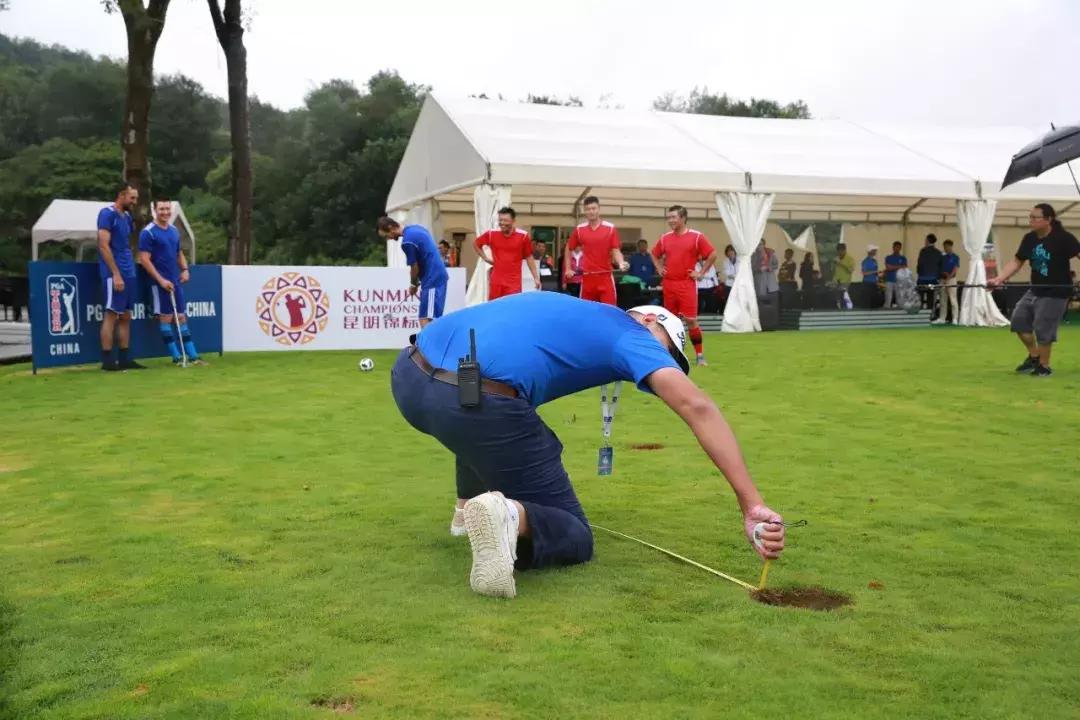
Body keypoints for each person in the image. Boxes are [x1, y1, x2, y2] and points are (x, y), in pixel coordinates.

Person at [391, 292, 786, 598]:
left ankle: (465, 512)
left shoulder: (579, 312)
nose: (659, 360)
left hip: (409, 376)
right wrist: (751, 504)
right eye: (667, 350)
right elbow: (697, 406)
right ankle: (506, 513)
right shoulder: (630, 335)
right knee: (577, 536)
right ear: (649, 320)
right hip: (471, 402)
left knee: (486, 416)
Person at [988, 203, 1080, 377]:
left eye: (1034, 218)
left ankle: (1044, 367)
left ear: (1048, 220)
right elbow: (1017, 261)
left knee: (1043, 327)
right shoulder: (1029, 239)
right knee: (1018, 321)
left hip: (1056, 292)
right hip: (1035, 289)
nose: (1030, 220)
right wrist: (999, 279)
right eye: (1030, 217)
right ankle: (1034, 356)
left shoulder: (1064, 238)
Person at [138, 198, 204, 365]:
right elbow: (144, 260)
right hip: (158, 283)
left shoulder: (174, 230)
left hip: (175, 281)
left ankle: (193, 356)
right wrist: (160, 280)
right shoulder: (148, 232)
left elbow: (178, 252)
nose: (165, 212)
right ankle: (176, 357)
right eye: (161, 209)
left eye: (168, 209)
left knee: (181, 317)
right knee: (166, 318)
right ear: (155, 210)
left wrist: (185, 269)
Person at [651, 205, 717, 366]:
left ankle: (700, 355)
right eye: (669, 217)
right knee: (670, 321)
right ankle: (672, 355)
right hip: (669, 284)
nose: (671, 220)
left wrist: (701, 273)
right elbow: (654, 253)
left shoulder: (696, 237)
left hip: (687, 284)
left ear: (683, 218)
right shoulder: (665, 238)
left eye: (674, 217)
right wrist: (659, 267)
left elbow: (712, 254)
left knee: (690, 320)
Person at [97, 182, 145, 371]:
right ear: (121, 195)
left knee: (126, 315)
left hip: (128, 270)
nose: (134, 201)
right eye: (132, 197)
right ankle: (108, 360)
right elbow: (103, 245)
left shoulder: (127, 217)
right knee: (112, 314)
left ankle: (125, 358)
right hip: (113, 272)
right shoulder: (107, 214)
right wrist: (116, 274)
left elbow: (126, 243)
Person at [377, 217, 451, 328]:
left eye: (387, 236)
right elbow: (426, 254)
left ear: (390, 228)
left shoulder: (407, 242)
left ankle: (429, 346)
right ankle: (428, 345)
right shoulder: (416, 228)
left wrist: (413, 284)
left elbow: (414, 267)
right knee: (429, 317)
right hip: (437, 277)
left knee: (427, 319)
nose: (389, 239)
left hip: (432, 280)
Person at [564, 196, 627, 305]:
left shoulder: (610, 228)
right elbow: (568, 248)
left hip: (605, 278)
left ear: (599, 209)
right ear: (584, 211)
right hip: (587, 278)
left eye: (594, 208)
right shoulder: (580, 229)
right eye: (588, 209)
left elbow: (616, 250)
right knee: (587, 313)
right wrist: (568, 269)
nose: (591, 211)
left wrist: (621, 262)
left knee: (610, 313)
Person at [475, 207, 541, 301]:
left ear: (513, 221)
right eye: (500, 220)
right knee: (494, 308)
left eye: (505, 220)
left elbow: (529, 257)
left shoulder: (523, 236)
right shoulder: (491, 234)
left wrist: (536, 278)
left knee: (512, 308)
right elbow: (476, 244)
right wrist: (485, 258)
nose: (502, 223)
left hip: (513, 283)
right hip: (496, 282)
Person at [934, 239, 961, 325]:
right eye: (944, 247)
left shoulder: (955, 257)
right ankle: (942, 318)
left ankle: (955, 319)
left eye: (946, 247)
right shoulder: (943, 257)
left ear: (950, 246)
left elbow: (955, 268)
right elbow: (940, 268)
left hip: (952, 280)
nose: (945, 248)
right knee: (943, 299)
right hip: (943, 280)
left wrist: (948, 277)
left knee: (953, 300)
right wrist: (943, 275)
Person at [917, 234, 943, 314]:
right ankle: (930, 314)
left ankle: (920, 314)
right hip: (933, 279)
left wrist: (919, 273)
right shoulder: (938, 253)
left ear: (928, 240)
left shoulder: (923, 251)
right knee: (930, 298)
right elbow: (940, 266)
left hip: (922, 279)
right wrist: (938, 277)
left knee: (920, 297)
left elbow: (919, 264)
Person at [883, 241, 908, 308]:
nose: (897, 249)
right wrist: (899, 266)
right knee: (888, 298)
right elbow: (888, 268)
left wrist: (892, 267)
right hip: (889, 280)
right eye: (896, 247)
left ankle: (899, 314)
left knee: (899, 300)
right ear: (893, 248)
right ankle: (886, 313)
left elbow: (904, 268)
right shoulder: (888, 257)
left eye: (899, 247)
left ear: (900, 248)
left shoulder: (903, 258)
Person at [832, 243, 855, 309]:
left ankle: (847, 309)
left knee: (844, 296)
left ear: (844, 250)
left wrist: (841, 263)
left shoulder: (850, 259)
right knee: (835, 295)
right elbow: (833, 270)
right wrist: (833, 264)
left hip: (845, 281)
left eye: (841, 250)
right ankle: (838, 307)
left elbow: (850, 270)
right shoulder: (836, 258)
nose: (839, 252)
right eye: (838, 251)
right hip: (836, 280)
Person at [720, 245, 737, 313]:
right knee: (729, 301)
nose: (730, 253)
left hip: (738, 285)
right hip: (729, 285)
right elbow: (727, 273)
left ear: (735, 252)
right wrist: (735, 276)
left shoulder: (740, 260)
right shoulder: (725, 261)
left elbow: (741, 272)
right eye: (728, 252)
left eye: (731, 251)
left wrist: (733, 276)